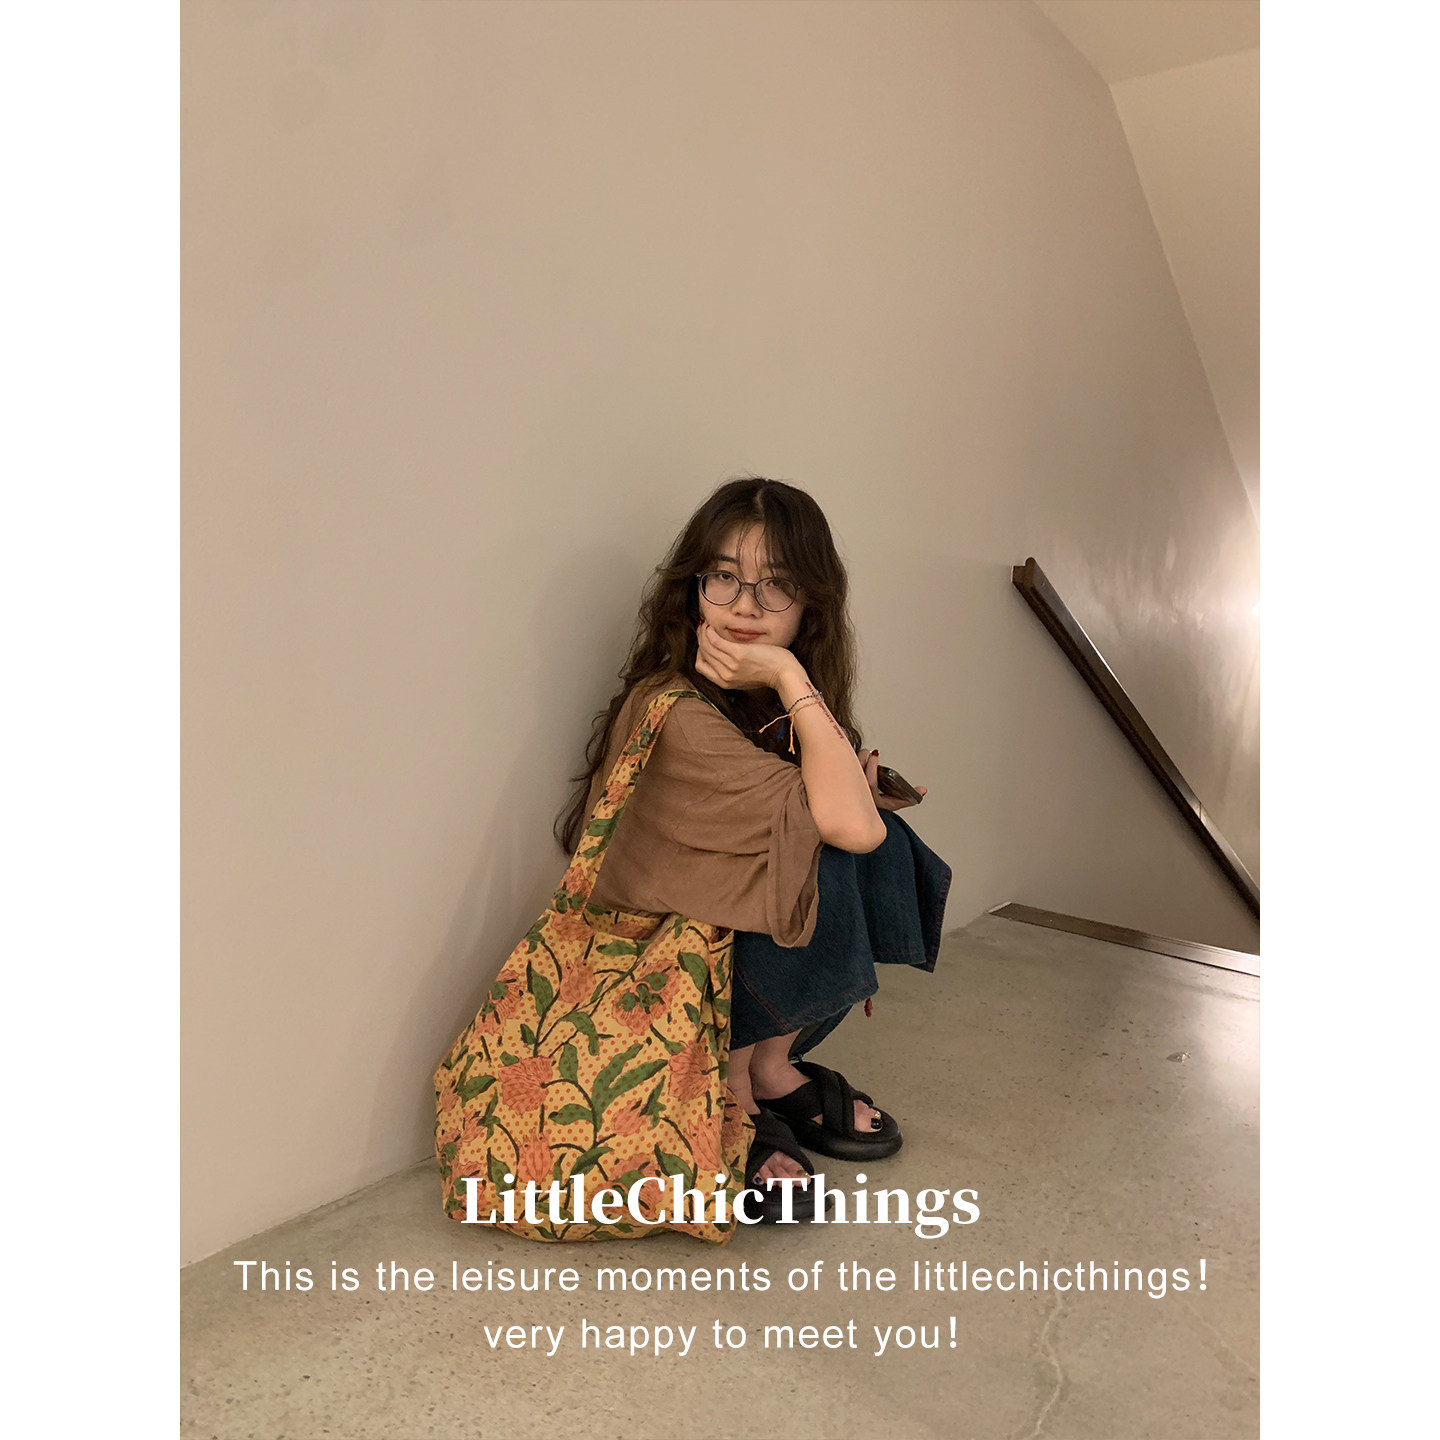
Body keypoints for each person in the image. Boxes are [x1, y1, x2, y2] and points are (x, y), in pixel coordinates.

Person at [555, 477, 952, 1220]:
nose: (745, 606)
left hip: (723, 943)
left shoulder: (760, 704)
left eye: (776, 586)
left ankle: (770, 1067)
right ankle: (729, 1085)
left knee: (879, 839)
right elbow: (844, 830)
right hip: (663, 965)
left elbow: (851, 822)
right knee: (832, 849)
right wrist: (787, 671)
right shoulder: (676, 709)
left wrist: (845, 774)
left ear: (810, 605)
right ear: (692, 589)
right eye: (724, 577)